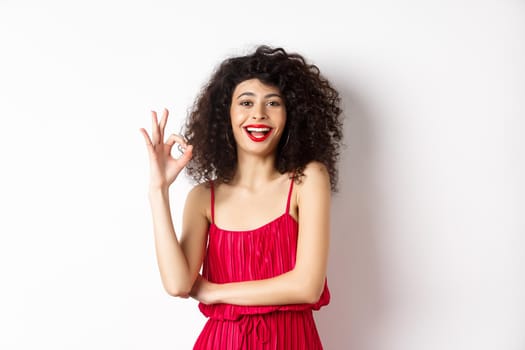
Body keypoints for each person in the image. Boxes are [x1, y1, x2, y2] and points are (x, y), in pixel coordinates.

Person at [139, 45, 343, 349]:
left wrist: (216, 292)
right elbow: (178, 283)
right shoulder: (203, 198)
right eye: (246, 102)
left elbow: (307, 287)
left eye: (273, 103)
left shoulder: (307, 180)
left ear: (291, 115)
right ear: (227, 114)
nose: (258, 114)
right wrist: (158, 190)